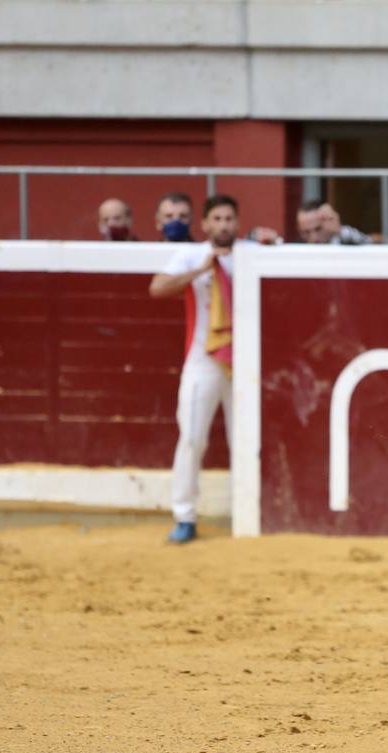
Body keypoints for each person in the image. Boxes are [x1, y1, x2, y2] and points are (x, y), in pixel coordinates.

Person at [147, 194, 243, 544]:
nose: (223, 225)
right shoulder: (190, 255)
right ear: (204, 224)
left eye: (229, 219)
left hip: (244, 362)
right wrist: (201, 269)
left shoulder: (250, 253)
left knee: (244, 441)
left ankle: (246, 512)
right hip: (203, 359)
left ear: (237, 223)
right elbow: (157, 288)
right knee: (191, 437)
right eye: (216, 219)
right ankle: (184, 515)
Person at [296, 199, 370, 245]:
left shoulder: (344, 239)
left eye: (318, 229)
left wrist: (339, 230)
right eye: (306, 232)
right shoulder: (295, 249)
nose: (314, 238)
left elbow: (370, 243)